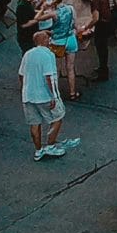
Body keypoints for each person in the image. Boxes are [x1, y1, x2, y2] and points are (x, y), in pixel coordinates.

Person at [21, 24, 77, 162]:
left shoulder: (27, 54)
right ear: (45, 41)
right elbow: (49, 77)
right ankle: (50, 145)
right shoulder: (49, 55)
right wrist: (53, 96)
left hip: (28, 95)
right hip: (44, 95)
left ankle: (38, 150)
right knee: (57, 118)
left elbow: (21, 75)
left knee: (34, 123)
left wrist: (24, 89)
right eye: (48, 39)